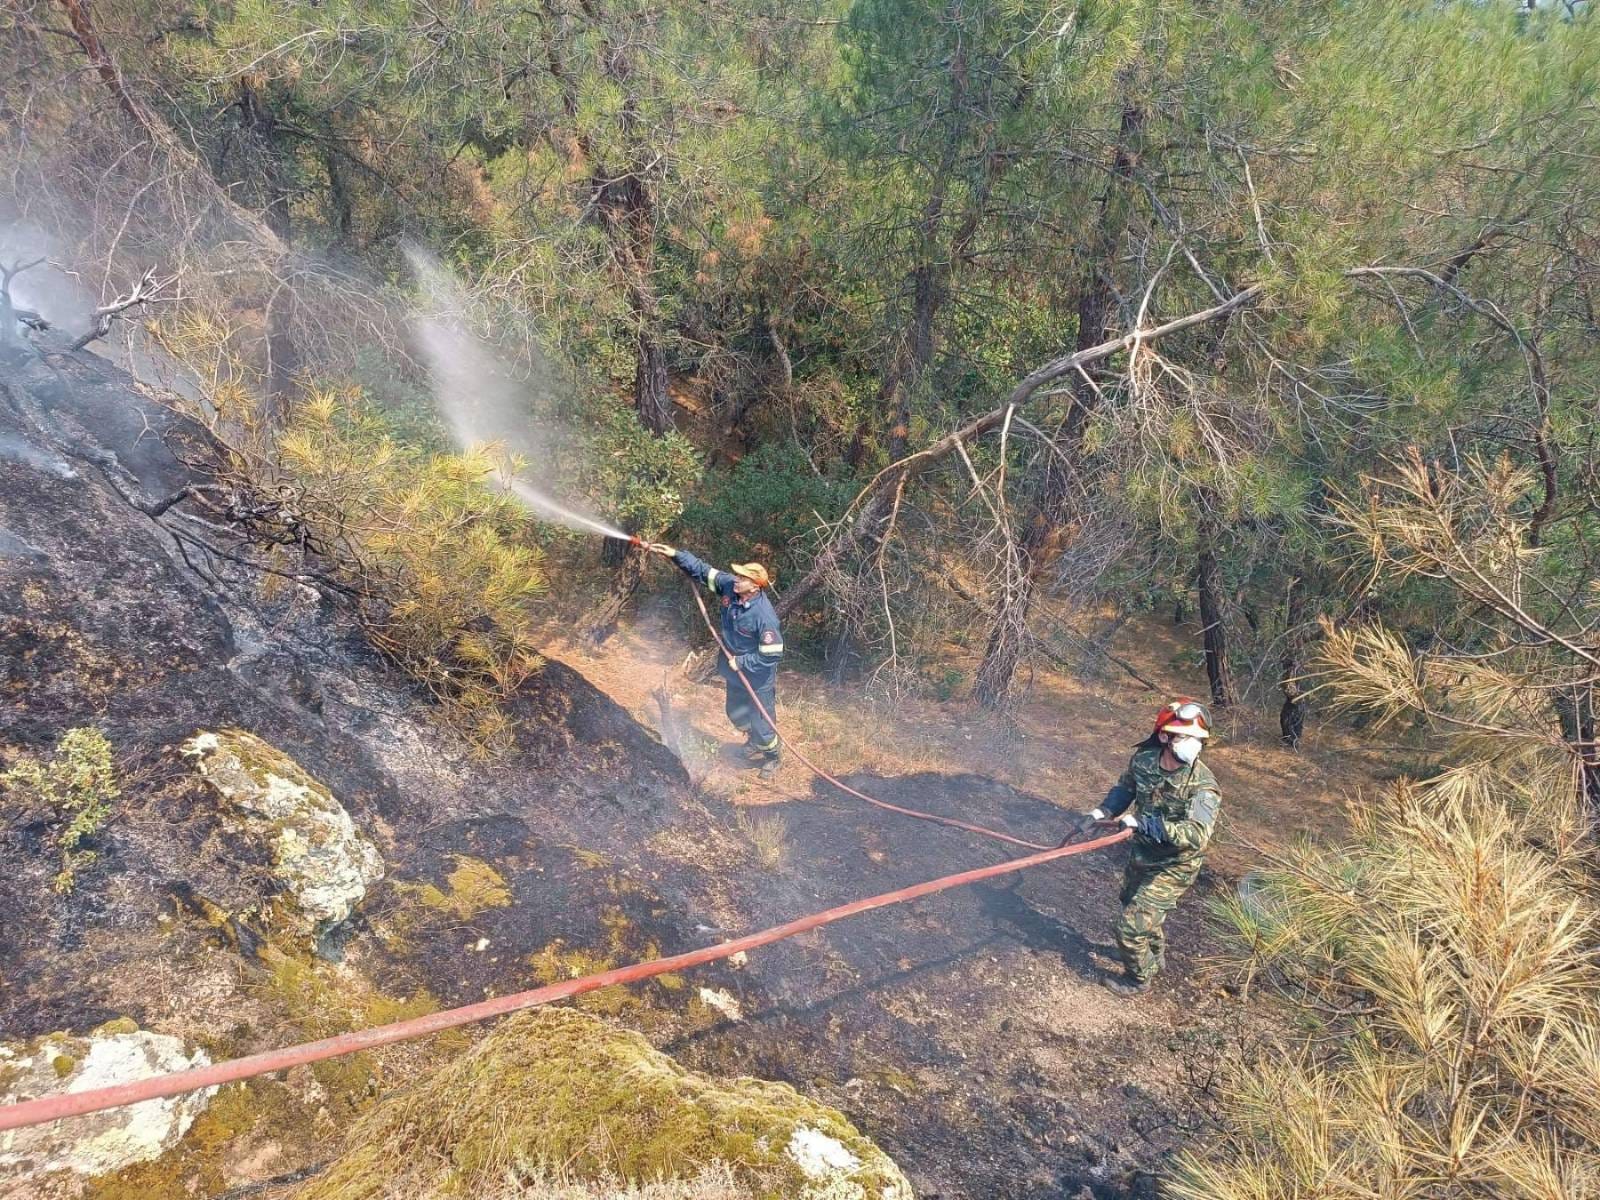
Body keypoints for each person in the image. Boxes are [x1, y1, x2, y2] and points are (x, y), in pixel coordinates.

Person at [1067, 699, 1221, 995]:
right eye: (1187, 738)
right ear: (1164, 736)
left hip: (1175, 865)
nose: (1195, 746)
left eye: (1199, 740)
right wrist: (1101, 813)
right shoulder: (1144, 760)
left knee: (1130, 926)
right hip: (1142, 854)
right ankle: (1154, 954)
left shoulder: (1204, 786)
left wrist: (1148, 824)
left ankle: (1139, 977)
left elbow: (1198, 835)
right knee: (1132, 901)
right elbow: (1125, 789)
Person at [648, 542, 784, 778]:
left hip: (757, 675)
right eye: (737, 575)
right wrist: (676, 555)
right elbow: (703, 570)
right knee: (735, 712)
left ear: (754, 586)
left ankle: (772, 756)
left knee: (762, 723)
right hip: (733, 670)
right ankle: (754, 741)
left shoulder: (764, 616)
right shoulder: (730, 588)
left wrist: (742, 663)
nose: (736, 579)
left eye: (742, 578)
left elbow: (772, 654)